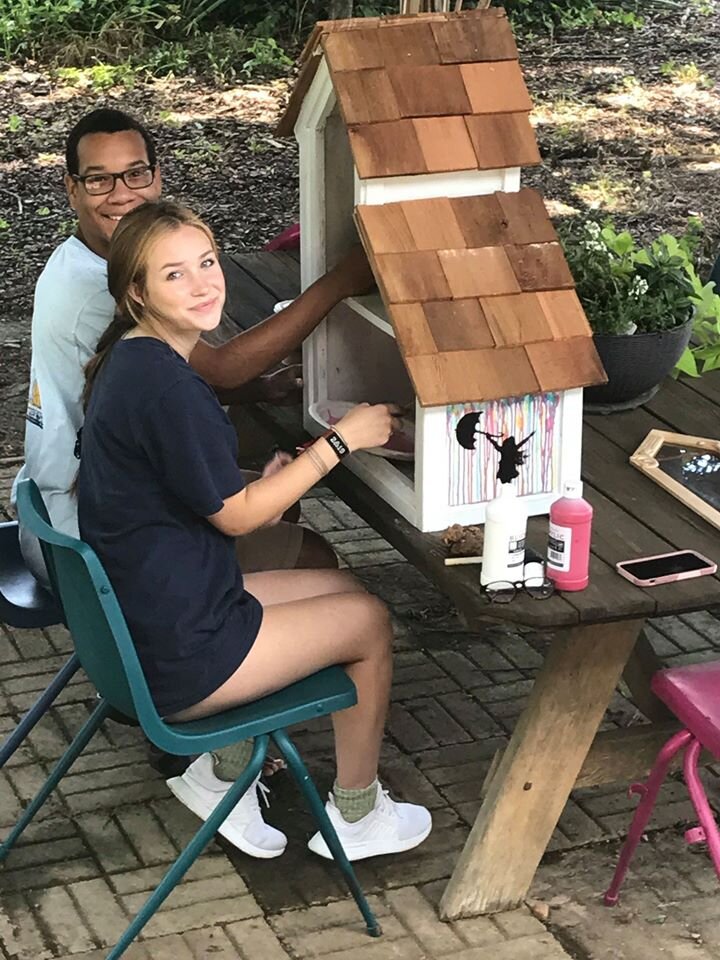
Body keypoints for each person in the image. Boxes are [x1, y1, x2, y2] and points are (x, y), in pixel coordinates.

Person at [76, 199, 432, 861]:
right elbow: (236, 515)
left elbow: (210, 495)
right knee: (370, 622)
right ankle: (356, 817)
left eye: (207, 263)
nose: (205, 283)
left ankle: (220, 774)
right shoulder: (170, 389)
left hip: (142, 618)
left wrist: (262, 486)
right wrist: (340, 441)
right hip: (177, 652)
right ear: (136, 291)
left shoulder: (134, 359)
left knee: (332, 582)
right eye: (175, 274)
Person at [15, 106, 375, 583]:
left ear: (157, 176)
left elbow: (164, 386)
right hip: (83, 543)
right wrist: (338, 284)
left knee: (278, 505)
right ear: (72, 188)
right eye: (100, 180)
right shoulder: (103, 288)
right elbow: (220, 369)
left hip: (56, 503)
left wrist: (258, 391)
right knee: (315, 561)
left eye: (136, 173)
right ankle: (242, 643)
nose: (123, 194)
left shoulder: (74, 258)